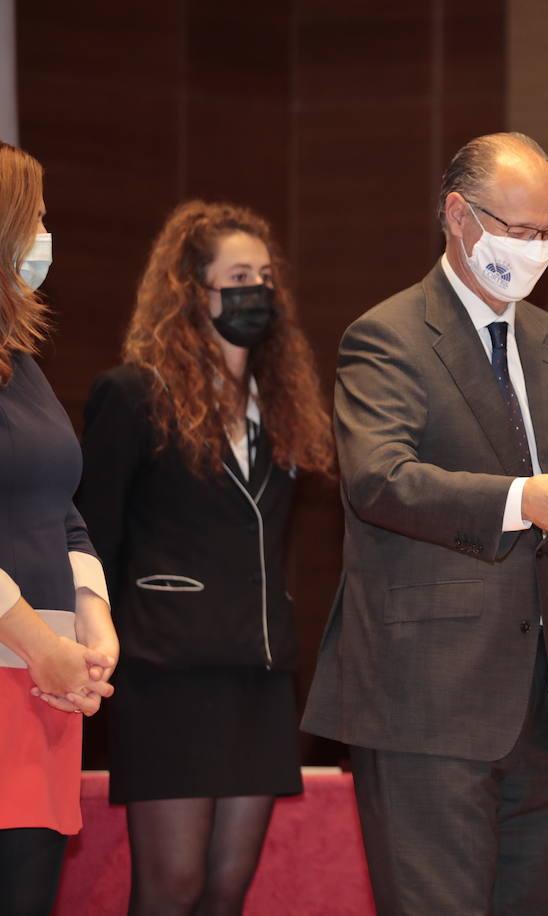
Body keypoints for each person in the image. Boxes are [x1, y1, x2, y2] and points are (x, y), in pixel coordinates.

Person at [302, 131, 548, 916]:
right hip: (425, 699)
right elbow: (379, 481)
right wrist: (527, 499)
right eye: (516, 231)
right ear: (458, 216)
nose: (534, 251)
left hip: (538, 706)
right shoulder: (387, 336)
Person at [77, 200, 334, 915]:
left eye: (264, 276)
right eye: (237, 277)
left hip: (257, 676)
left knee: (224, 893)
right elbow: (92, 537)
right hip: (168, 678)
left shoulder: (278, 407)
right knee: (172, 890)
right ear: (195, 292)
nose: (256, 291)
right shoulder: (135, 395)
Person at [0, 140, 118, 916]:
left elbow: (61, 505)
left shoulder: (21, 360)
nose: (45, 237)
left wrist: (93, 617)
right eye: (35, 219)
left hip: (44, 682)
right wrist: (39, 646)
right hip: (22, 664)